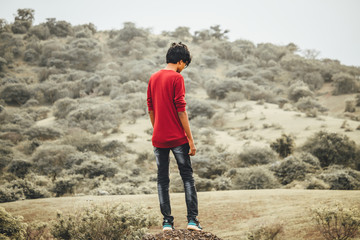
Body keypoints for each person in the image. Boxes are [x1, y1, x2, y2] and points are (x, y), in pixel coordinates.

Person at [147, 42, 202, 232]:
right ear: (180, 61)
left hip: (159, 138)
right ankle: (192, 221)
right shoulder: (176, 78)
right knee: (187, 177)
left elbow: (151, 108)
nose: (183, 69)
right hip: (178, 138)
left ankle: (167, 223)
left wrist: (158, 129)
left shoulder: (153, 78)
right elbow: (181, 109)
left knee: (162, 180)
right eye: (184, 65)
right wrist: (190, 139)